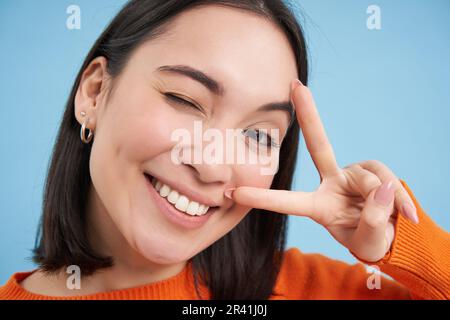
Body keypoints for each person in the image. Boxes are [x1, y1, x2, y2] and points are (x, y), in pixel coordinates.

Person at [1, 0, 448, 300]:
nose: (213, 165)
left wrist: (399, 243)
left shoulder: (308, 290)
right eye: (184, 100)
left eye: (258, 135)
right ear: (95, 93)